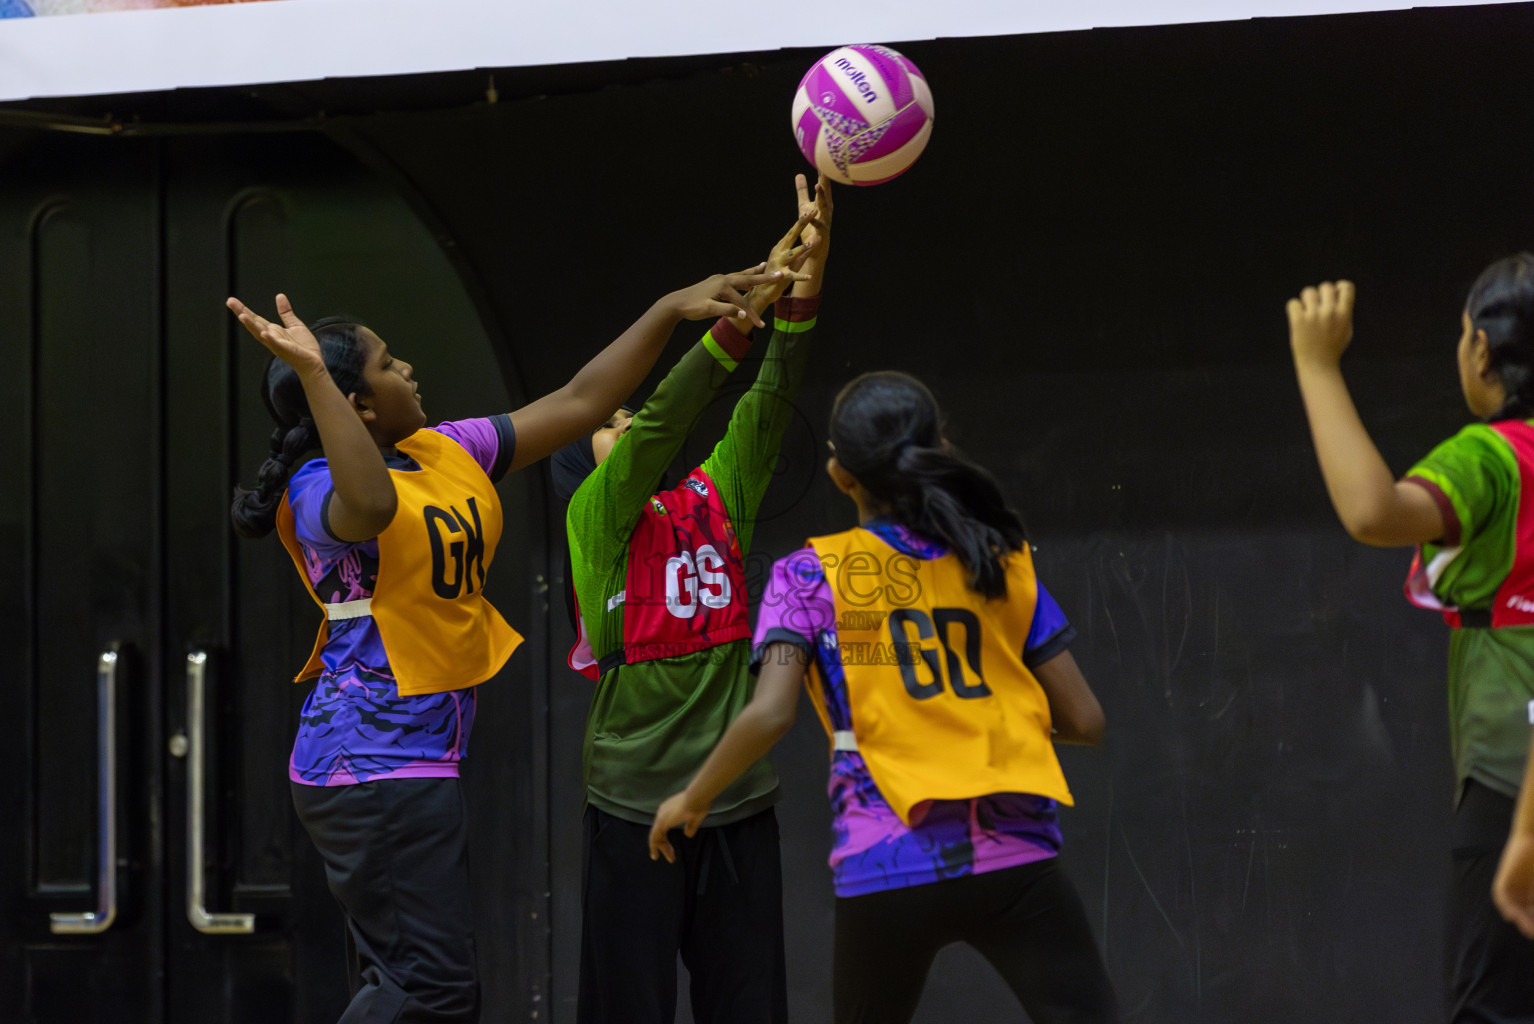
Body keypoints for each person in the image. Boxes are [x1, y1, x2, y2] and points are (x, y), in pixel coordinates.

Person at [226, 253, 795, 1024]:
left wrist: (669, 308)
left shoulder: (446, 450)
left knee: (413, 985)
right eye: (390, 363)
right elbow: (370, 507)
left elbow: (581, 399)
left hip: (416, 755)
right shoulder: (317, 487)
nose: (410, 368)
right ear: (356, 404)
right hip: (367, 762)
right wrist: (319, 381)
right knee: (431, 992)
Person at [648, 370, 1121, 1024]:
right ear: (941, 449)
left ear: (841, 474)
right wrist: (975, 725)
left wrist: (690, 798)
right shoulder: (998, 559)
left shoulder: (808, 575)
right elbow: (1085, 719)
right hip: (1013, 850)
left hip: (888, 856)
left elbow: (770, 713)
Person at [553, 174, 828, 1024]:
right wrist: (728, 329)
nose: (626, 421)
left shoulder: (715, 498)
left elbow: (770, 401)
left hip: (736, 805)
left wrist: (806, 283)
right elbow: (671, 416)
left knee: (749, 1007)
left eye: (628, 414)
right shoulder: (593, 516)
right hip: (631, 807)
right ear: (581, 456)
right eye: (610, 419)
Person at [1286, 263, 1534, 1022]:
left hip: (1513, 780)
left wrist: (1317, 365)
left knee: (1489, 1009)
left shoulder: (1495, 455)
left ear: (1484, 353)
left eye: (1463, 336)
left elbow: (1373, 511)